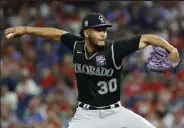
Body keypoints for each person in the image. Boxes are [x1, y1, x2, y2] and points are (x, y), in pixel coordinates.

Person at [5, 12, 180, 128]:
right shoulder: (76, 46)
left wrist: (171, 49)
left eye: (104, 29)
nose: (103, 33)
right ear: (86, 33)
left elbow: (147, 38)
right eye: (98, 30)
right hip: (86, 115)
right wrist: (27, 29)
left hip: (116, 112)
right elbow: (56, 33)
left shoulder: (114, 49)